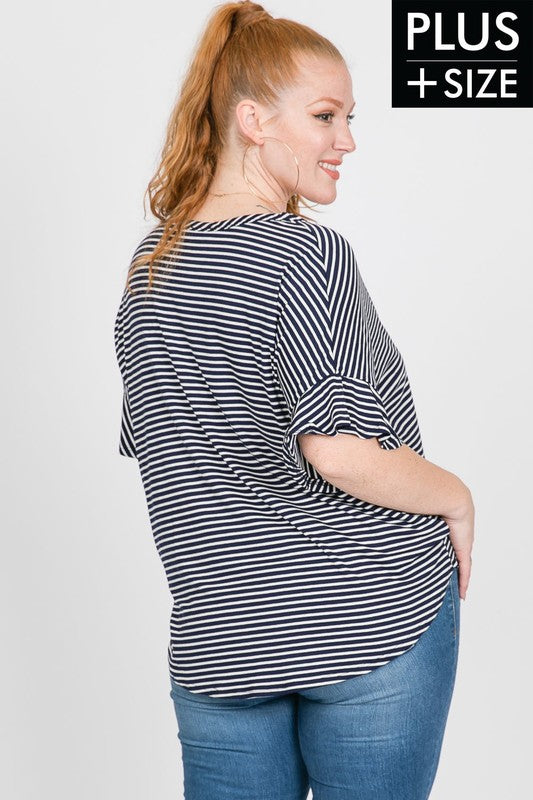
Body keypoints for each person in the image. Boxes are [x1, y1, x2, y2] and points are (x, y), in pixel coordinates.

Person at [113, 2, 475, 798]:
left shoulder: (150, 267)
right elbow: (336, 452)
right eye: (324, 116)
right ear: (253, 121)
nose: (346, 140)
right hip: (370, 620)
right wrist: (456, 497)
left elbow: (176, 456)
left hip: (221, 639)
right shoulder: (307, 252)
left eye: (348, 118)